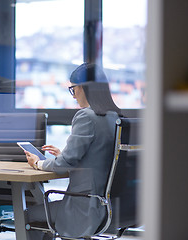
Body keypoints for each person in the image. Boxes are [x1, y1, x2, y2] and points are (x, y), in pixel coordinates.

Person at [24, 62, 122, 239]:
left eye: (73, 89)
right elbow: (98, 158)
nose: (74, 96)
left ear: (84, 88)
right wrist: (63, 155)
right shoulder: (114, 117)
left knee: (25, 215)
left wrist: (37, 163)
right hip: (108, 206)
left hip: (83, 209)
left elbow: (65, 164)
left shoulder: (87, 116)